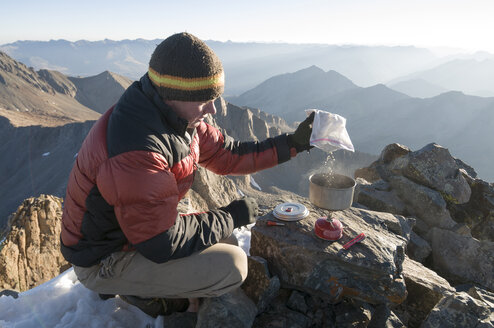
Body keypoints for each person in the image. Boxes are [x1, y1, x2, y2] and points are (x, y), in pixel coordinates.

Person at [60, 32, 314, 317]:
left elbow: (228, 154)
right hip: (104, 259)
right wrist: (232, 215)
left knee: (226, 241)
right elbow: (162, 242)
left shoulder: (178, 118)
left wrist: (292, 144)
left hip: (134, 234)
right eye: (205, 100)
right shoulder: (138, 150)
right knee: (232, 267)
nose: (213, 109)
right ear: (174, 95)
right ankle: (154, 300)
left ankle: (161, 287)